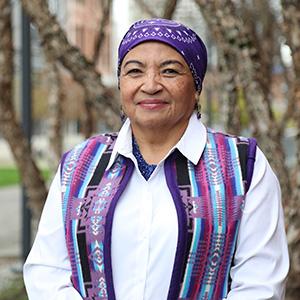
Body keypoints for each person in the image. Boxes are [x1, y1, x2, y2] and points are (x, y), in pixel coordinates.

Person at [23, 18, 289, 300]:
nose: (150, 85)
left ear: (196, 86)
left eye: (170, 71)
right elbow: (47, 270)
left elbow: (261, 285)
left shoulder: (242, 166)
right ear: (121, 84)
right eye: (134, 71)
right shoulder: (81, 165)